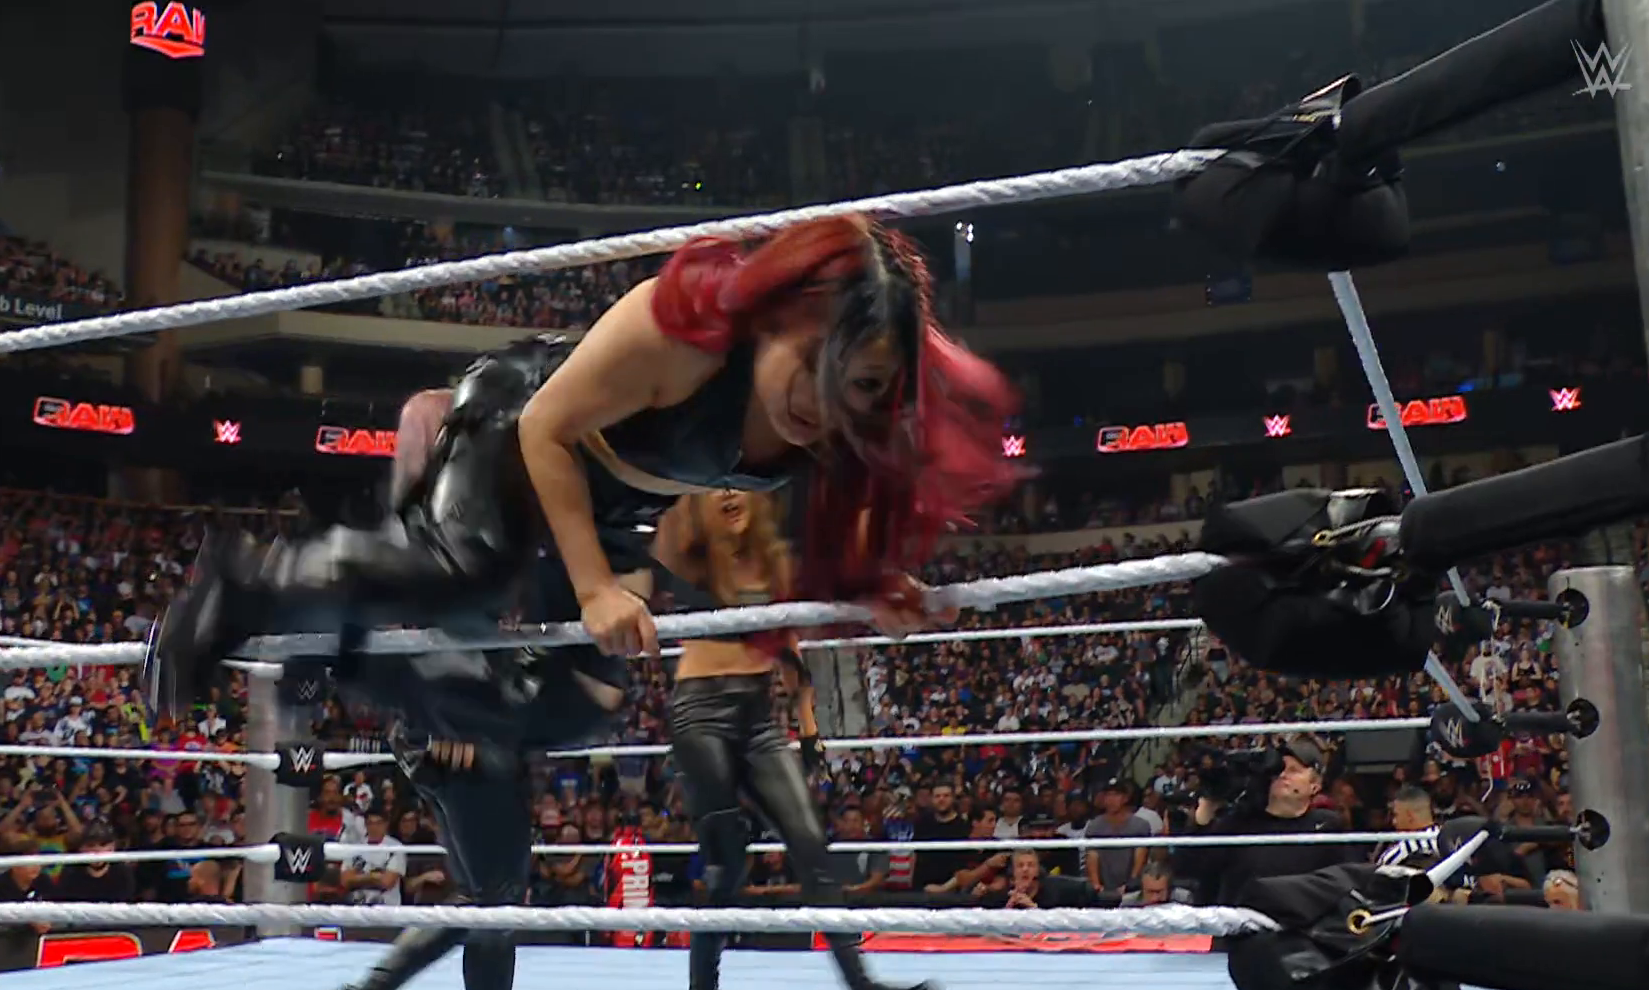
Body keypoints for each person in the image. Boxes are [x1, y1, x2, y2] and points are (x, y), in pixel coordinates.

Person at [144, 214, 1025, 718]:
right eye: (814, 366)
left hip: (619, 496)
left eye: (863, 383)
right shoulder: (680, 335)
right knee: (464, 571)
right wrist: (597, 586)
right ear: (774, 319)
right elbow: (547, 431)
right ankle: (242, 582)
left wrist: (877, 583)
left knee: (579, 704)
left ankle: (344, 649)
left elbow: (840, 517)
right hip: (523, 426)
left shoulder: (852, 413)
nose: (826, 404)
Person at [653, 489, 941, 990]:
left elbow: (788, 643)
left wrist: (808, 729)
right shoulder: (692, 551)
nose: (729, 493)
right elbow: (665, 519)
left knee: (812, 845)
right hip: (700, 711)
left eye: (738, 483)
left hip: (759, 718)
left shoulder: (777, 560)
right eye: (717, 485)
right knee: (725, 862)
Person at [297, 618, 636, 990]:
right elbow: (460, 632)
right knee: (492, 902)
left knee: (489, 903)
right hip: (468, 739)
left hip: (461, 734)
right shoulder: (507, 591)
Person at [1173, 739, 1364, 905]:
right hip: (1243, 927)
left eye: (1294, 770)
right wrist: (1207, 807)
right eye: (1279, 769)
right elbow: (1188, 867)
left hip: (1301, 930)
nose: (1283, 775)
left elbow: (1350, 883)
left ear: (1315, 785)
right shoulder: (1239, 822)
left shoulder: (1326, 826)